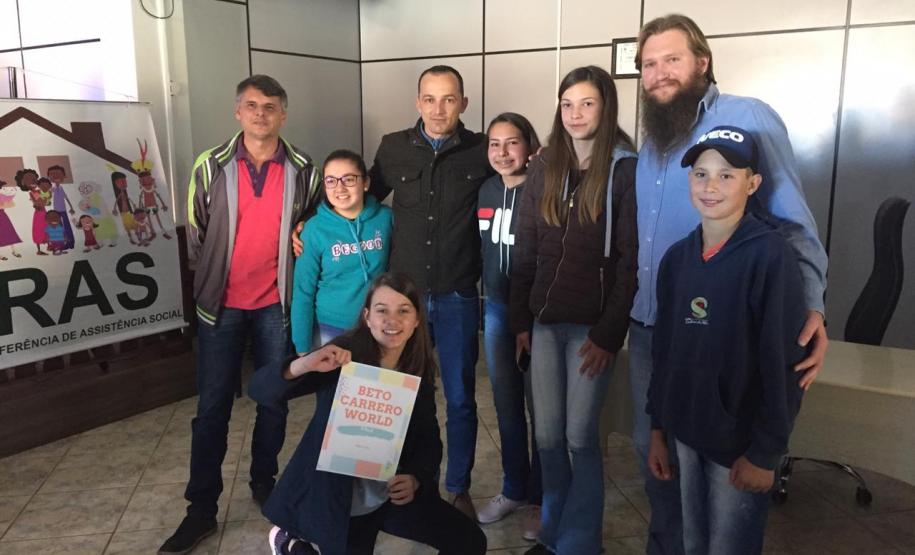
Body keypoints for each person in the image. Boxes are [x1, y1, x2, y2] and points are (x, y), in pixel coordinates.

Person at [630, 14, 829, 553]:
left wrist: (811, 307)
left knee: (723, 485)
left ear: (702, 61)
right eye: (648, 64)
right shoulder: (652, 142)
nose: (659, 73)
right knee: (661, 468)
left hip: (726, 332)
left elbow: (792, 221)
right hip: (655, 330)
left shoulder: (749, 117)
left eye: (672, 59)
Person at [159, 74, 321, 555]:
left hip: (276, 306)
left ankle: (264, 483)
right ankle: (201, 508)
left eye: (270, 107)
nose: (260, 114)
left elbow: (311, 225)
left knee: (273, 401)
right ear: (237, 112)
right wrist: (216, 279)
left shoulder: (304, 169)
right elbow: (196, 236)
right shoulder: (210, 165)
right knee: (212, 408)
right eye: (252, 106)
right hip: (221, 308)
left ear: (283, 114)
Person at [646, 126, 808, 554]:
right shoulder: (677, 259)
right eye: (701, 174)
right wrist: (658, 428)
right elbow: (664, 352)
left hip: (739, 445)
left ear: (752, 184)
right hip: (685, 431)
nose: (710, 187)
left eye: (726, 176)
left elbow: (783, 363)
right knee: (693, 541)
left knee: (729, 545)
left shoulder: (770, 257)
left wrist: (765, 453)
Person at [251, 272, 487, 555]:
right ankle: (290, 545)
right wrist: (304, 364)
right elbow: (260, 389)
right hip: (338, 500)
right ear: (367, 317)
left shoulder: (416, 369)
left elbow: (429, 440)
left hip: (389, 493)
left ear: (416, 321)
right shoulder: (342, 357)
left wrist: (416, 477)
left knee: (469, 541)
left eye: (403, 311)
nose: (392, 320)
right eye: (382, 310)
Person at [510, 65, 639, 555]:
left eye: (587, 103)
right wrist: (521, 321)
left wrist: (608, 333)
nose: (575, 114)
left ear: (606, 108)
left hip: (591, 329)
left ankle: (581, 545)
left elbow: (631, 262)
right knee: (547, 437)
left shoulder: (624, 170)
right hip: (544, 323)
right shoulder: (545, 166)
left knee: (580, 438)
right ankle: (553, 535)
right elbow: (527, 248)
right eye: (567, 104)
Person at [366, 64, 492, 519]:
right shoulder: (393, 148)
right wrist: (310, 223)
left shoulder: (481, 150)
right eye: (430, 99)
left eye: (449, 99)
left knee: (459, 399)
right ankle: (397, 483)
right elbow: (361, 199)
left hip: (457, 295)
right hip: (405, 303)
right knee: (398, 395)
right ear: (418, 102)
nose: (439, 109)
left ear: (463, 103)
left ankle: (457, 488)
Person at [475, 112, 543, 539]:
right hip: (497, 309)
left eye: (512, 142)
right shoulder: (486, 189)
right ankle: (515, 488)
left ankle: (542, 498)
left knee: (542, 410)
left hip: (537, 315)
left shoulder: (544, 187)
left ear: (529, 146)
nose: (502, 152)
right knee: (506, 404)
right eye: (494, 144)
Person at [291, 149, 392, 354]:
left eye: (349, 179)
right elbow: (303, 292)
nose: (340, 188)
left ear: (366, 183)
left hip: (379, 325)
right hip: (330, 329)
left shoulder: (386, 218)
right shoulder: (314, 229)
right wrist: (302, 349)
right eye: (331, 181)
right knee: (332, 377)